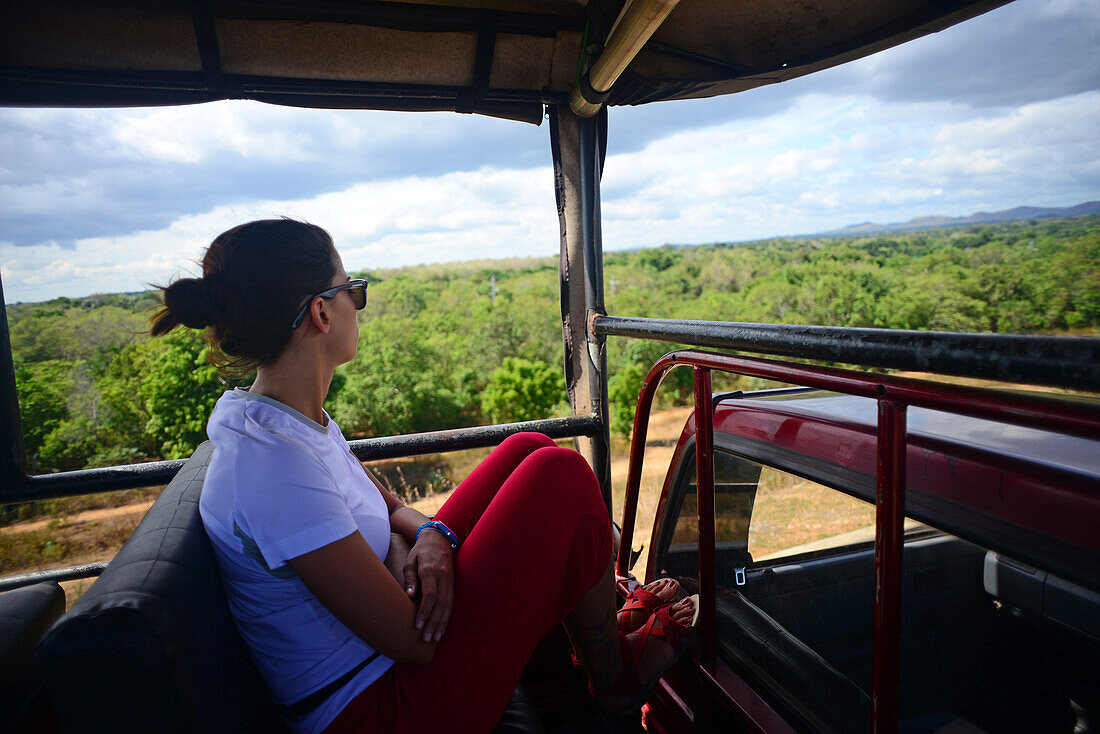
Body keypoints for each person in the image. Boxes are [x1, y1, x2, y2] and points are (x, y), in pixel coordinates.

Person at [151, 218, 696, 734]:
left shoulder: (287, 420)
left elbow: (383, 505)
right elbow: (412, 639)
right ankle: (617, 679)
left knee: (529, 448)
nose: (358, 306)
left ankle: (602, 629)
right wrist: (410, 544)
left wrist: (432, 534)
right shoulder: (272, 467)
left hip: (389, 656)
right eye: (353, 290)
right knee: (560, 476)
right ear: (321, 312)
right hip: (380, 706)